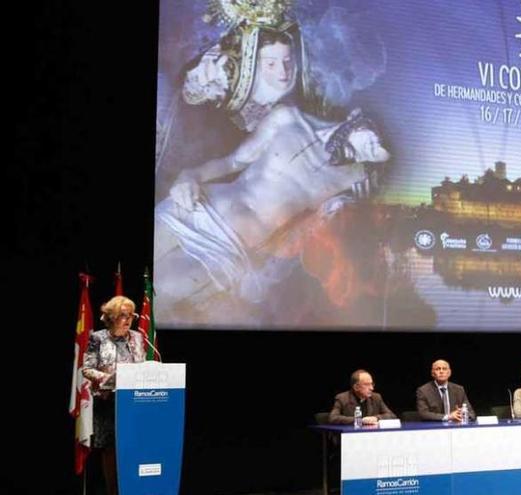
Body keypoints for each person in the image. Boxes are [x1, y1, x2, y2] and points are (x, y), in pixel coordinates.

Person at [154, 27, 390, 323]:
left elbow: (314, 231)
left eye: (375, 151)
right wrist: (189, 176)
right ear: (355, 117)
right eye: (373, 137)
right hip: (197, 205)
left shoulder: (351, 179)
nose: (374, 148)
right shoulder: (286, 119)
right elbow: (231, 162)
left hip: (229, 248)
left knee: (157, 297)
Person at [82, 296, 147, 495]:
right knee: (111, 448)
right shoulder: (98, 338)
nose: (128, 320)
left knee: (132, 447)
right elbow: (87, 369)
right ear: (111, 317)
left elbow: (142, 364)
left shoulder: (136, 337)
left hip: (133, 402)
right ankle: (113, 490)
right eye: (123, 316)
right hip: (108, 402)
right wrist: (111, 378)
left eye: (131, 316)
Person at [329, 369, 396, 425]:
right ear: (356, 387)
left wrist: (376, 418)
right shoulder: (342, 398)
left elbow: (392, 416)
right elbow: (333, 418)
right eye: (367, 384)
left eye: (372, 384)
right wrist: (360, 420)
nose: (372, 388)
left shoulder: (376, 397)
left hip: (372, 435)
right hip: (351, 435)